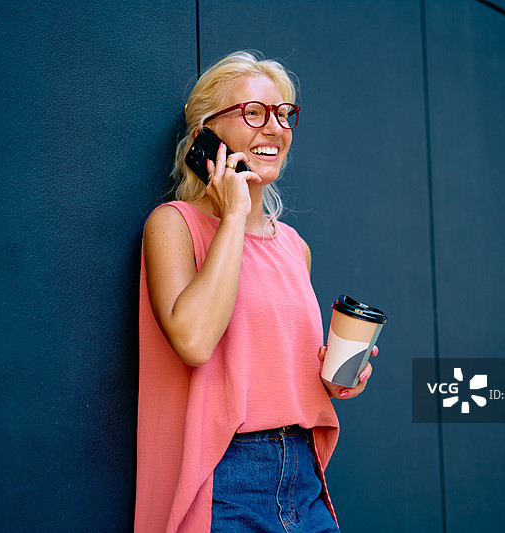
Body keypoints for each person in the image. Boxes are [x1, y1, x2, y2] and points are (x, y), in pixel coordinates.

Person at [135, 50, 378, 533]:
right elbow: (195, 340)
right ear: (208, 131)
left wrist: (335, 378)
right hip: (225, 482)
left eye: (284, 115)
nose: (275, 128)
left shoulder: (294, 246)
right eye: (253, 113)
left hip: (303, 479)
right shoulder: (174, 226)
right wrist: (232, 215)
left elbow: (267, 369)